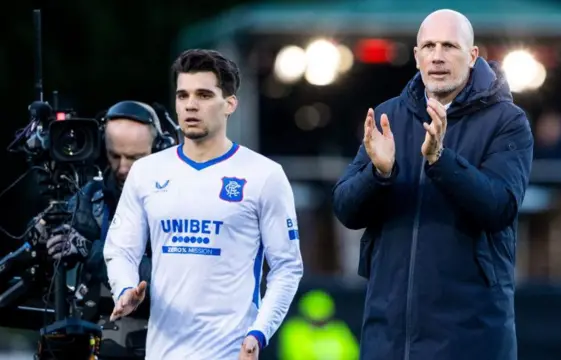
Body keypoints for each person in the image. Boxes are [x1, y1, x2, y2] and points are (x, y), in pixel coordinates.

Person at [332, 9, 534, 360]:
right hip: (388, 337)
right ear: (415, 56)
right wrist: (377, 174)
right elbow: (346, 209)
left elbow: (499, 207)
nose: (437, 56)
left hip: (470, 339)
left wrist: (441, 159)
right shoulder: (388, 116)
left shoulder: (507, 121)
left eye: (449, 46)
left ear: (472, 56)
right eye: (428, 46)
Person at [103, 48, 304, 360]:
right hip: (162, 352)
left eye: (204, 95)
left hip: (230, 353)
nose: (191, 105)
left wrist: (259, 332)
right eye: (182, 95)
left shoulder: (264, 175)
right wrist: (125, 289)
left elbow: (287, 267)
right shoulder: (147, 172)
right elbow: (120, 248)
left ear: (230, 104)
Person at [33, 100, 176, 358]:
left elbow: (170, 282)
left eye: (134, 158)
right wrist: (43, 232)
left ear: (160, 149)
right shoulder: (92, 197)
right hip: (94, 343)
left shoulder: (181, 203)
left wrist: (89, 251)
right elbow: (54, 225)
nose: (122, 168)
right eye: (114, 155)